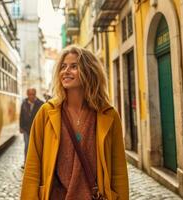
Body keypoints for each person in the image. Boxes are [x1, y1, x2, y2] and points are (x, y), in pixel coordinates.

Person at [21, 45, 129, 200]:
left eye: (74, 66)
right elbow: (32, 168)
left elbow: (118, 171)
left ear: (89, 71)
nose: (66, 71)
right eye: (63, 67)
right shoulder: (46, 113)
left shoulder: (108, 116)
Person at [20, 88, 44, 168]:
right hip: (26, 128)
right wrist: (21, 127)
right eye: (30, 94)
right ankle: (26, 162)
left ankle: (37, 163)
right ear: (27, 94)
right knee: (27, 145)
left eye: (33, 94)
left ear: (35, 94)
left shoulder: (41, 104)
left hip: (37, 128)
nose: (31, 96)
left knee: (37, 146)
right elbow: (21, 116)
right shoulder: (24, 103)